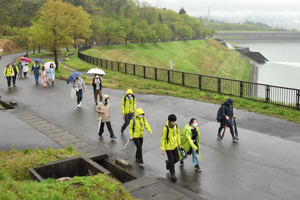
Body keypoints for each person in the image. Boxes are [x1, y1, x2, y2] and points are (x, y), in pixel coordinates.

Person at [160, 114, 181, 180]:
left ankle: (168, 163)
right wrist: (163, 149)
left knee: (177, 159)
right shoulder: (165, 128)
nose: (174, 122)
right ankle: (172, 174)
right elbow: (163, 139)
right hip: (168, 147)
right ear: (169, 121)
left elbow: (178, 135)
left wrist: (179, 144)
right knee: (172, 160)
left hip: (174, 146)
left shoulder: (176, 126)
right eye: (173, 121)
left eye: (175, 121)